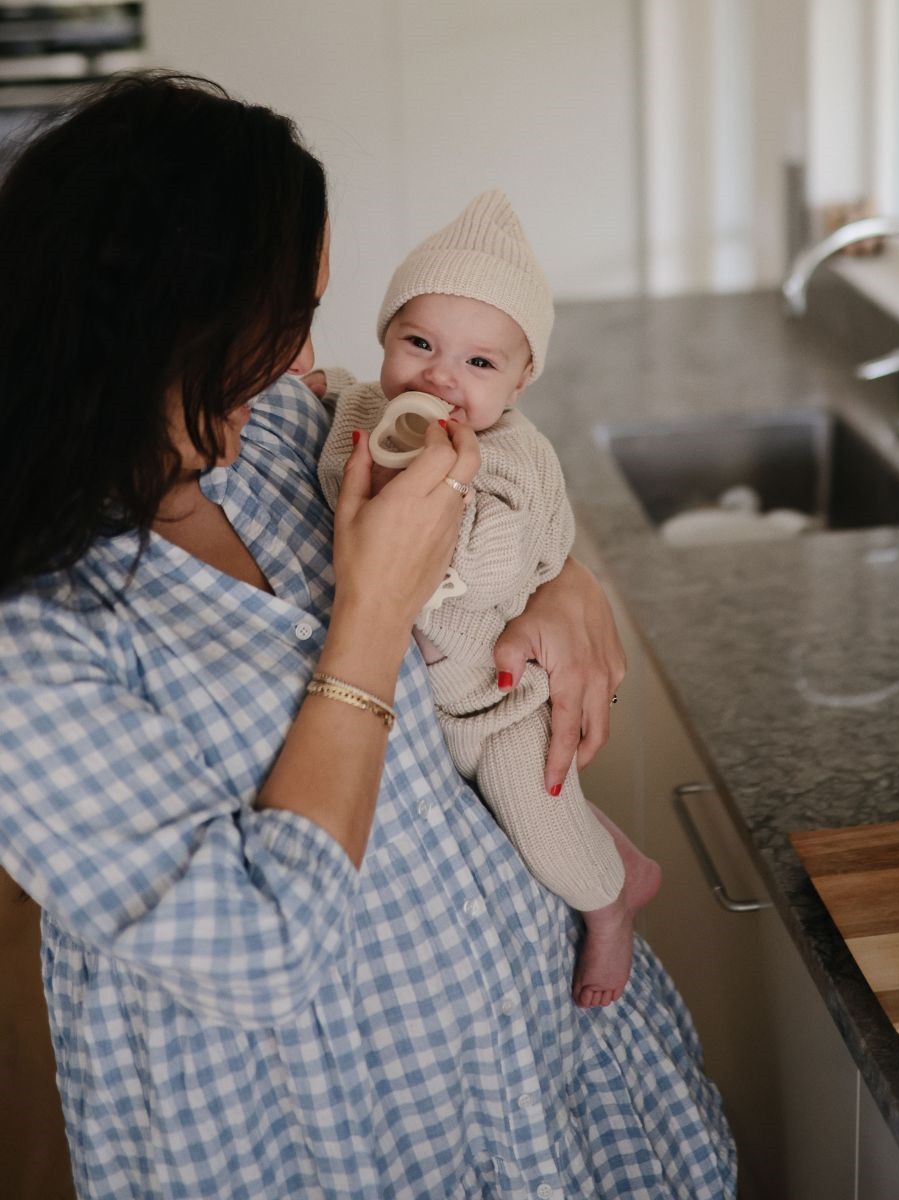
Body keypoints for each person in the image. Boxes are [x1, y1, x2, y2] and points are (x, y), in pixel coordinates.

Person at [0, 72, 736, 1199]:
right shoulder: (31, 638)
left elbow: (485, 474)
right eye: (286, 319)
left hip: (517, 1035)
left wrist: (566, 584)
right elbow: (264, 952)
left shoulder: (272, 433)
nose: (306, 357)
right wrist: (372, 611)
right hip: (324, 1128)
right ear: (169, 324)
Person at [314, 190, 661, 1010]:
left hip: (497, 710)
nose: (439, 376)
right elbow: (330, 433)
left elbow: (504, 571)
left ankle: (613, 902)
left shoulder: (511, 455)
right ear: (385, 341)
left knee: (535, 811)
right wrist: (325, 390)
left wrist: (451, 487)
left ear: (521, 379)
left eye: (480, 363)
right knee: (519, 821)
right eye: (419, 343)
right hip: (416, 718)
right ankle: (616, 858)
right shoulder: (370, 409)